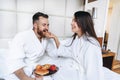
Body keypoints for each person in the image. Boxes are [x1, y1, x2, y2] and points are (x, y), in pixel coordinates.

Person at [54, 11, 120, 80]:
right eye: (72, 20)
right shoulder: (77, 39)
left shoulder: (91, 45)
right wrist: (55, 38)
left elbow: (93, 73)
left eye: (75, 20)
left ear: (83, 22)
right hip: (76, 71)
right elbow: (69, 52)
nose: (71, 23)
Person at [4, 12, 60, 80]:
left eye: (48, 25)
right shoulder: (22, 36)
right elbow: (15, 62)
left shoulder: (45, 38)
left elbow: (55, 54)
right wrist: (27, 78)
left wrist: (55, 38)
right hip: (23, 70)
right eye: (44, 25)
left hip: (37, 68)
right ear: (35, 25)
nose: (47, 28)